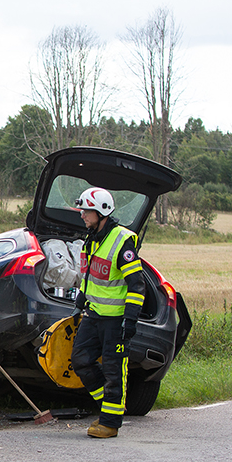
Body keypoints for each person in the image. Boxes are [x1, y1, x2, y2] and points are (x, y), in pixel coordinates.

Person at [70, 187, 146, 439]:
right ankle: (110, 406)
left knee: (114, 370)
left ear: (101, 211)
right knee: (80, 360)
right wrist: (81, 298)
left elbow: (137, 284)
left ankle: (110, 422)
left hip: (115, 321)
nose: (82, 214)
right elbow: (91, 277)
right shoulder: (91, 238)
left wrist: (130, 319)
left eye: (86, 211)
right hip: (94, 315)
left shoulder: (121, 241)